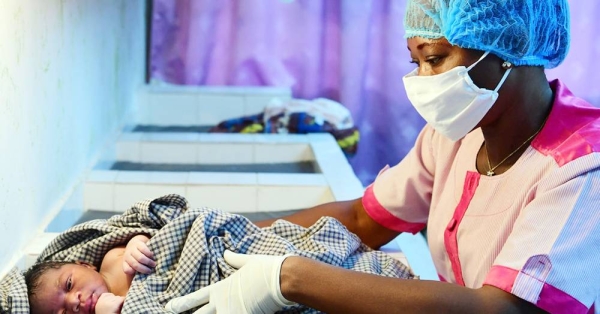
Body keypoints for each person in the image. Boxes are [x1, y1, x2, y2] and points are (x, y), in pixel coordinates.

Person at [165, 0, 600, 313]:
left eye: (435, 59)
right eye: (415, 62)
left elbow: (504, 309)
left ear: (512, 44)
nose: (421, 81)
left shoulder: (581, 165)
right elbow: (362, 220)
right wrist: (216, 234)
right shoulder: (454, 136)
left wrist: (290, 278)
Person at [24, 234, 156, 314]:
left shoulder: (112, 261)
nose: (73, 302)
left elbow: (150, 233)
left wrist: (136, 244)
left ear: (86, 265)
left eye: (69, 284)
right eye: (64, 313)